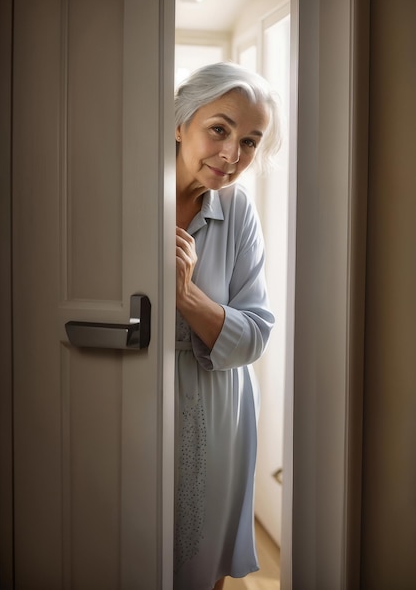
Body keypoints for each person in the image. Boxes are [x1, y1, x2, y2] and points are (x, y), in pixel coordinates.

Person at [174, 62, 282, 590]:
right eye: (220, 128)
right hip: (126, 399)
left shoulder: (239, 212)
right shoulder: (123, 195)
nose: (232, 154)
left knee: (202, 553)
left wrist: (187, 296)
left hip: (220, 412)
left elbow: (257, 333)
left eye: (251, 141)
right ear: (180, 122)